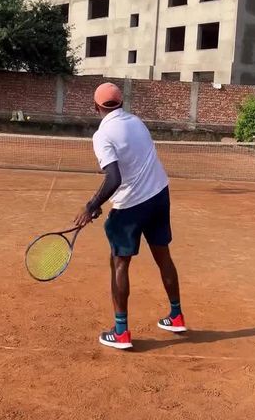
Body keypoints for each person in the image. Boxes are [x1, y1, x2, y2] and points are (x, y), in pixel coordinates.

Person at [74, 83, 186, 350]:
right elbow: (129, 170)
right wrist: (100, 202)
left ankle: (121, 331)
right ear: (121, 102)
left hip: (132, 205)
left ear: (96, 107)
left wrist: (91, 206)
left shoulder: (102, 135)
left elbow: (114, 178)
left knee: (119, 264)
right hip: (159, 195)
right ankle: (176, 316)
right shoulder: (137, 122)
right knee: (163, 256)